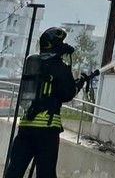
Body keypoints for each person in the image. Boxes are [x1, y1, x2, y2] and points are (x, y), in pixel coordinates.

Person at [6, 27, 82, 178]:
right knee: (46, 174)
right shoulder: (60, 67)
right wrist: (78, 85)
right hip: (47, 130)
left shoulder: (34, 63)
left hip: (26, 127)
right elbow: (67, 94)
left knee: (14, 171)